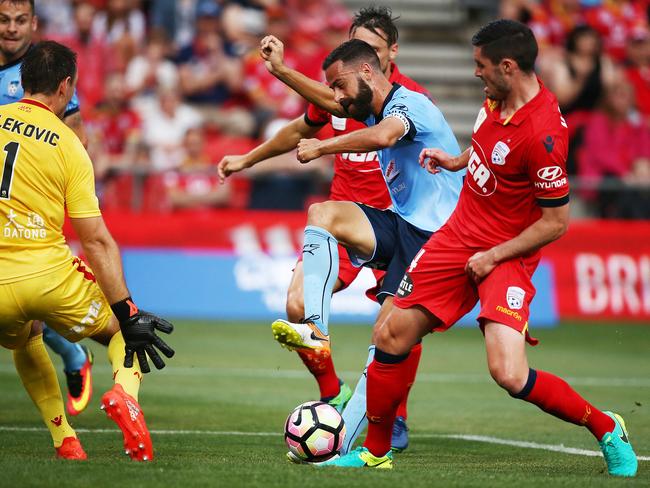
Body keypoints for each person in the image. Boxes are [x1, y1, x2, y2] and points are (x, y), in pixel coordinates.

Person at [322, 20, 638, 477]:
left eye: (482, 66)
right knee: (390, 335)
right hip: (458, 234)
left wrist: (493, 257)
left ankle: (607, 426)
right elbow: (490, 147)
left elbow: (556, 222)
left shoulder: (546, 135)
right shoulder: (497, 98)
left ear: (508, 67)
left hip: (507, 251)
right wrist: (457, 159)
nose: (476, 74)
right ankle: (376, 451)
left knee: (508, 373)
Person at [219, 6, 433, 452]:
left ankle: (392, 416)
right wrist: (247, 159)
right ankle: (333, 392)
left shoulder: (409, 100)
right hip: (345, 221)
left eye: (371, 52)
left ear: (391, 53)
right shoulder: (339, 95)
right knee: (296, 306)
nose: (361, 65)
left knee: (396, 328)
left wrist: (282, 72)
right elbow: (299, 128)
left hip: (398, 226)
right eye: (355, 52)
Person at [265, 37, 463, 458]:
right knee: (323, 214)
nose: (336, 97)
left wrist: (322, 146)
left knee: (385, 339)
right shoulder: (372, 103)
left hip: (439, 240)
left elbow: (386, 137)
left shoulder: (411, 104)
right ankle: (316, 330)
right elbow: (334, 107)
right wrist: (281, 71)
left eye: (339, 85)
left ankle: (351, 445)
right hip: (404, 224)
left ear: (368, 72)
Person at [0, 40, 175, 461]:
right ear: (65, 87)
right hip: (47, 274)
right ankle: (124, 394)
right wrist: (127, 308)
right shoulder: (69, 145)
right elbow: (95, 239)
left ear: (21, 82)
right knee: (123, 331)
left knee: (27, 340)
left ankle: (65, 440)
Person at [0, 0, 94, 416]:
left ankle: (73, 359)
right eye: (4, 20)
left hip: (30, 207)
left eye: (20, 20)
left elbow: (77, 142)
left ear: (34, 23)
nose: (11, 29)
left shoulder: (47, 74)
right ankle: (73, 356)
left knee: (26, 310)